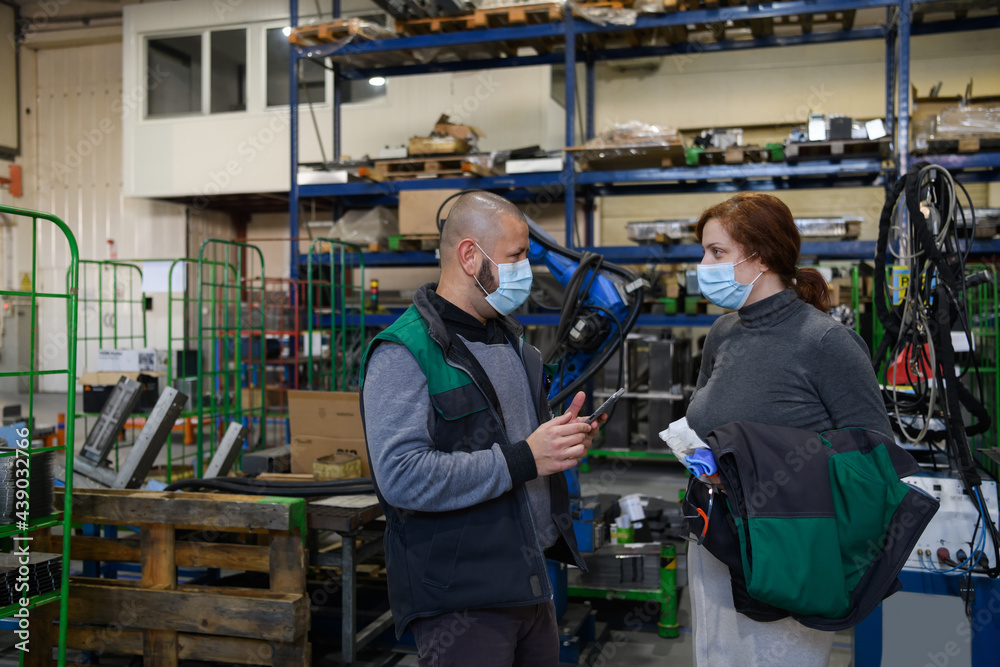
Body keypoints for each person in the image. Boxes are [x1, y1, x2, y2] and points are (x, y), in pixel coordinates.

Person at [359, 191, 602, 667]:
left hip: (529, 579)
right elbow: (402, 477)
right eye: (516, 257)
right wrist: (526, 458)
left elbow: (516, 442)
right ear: (471, 256)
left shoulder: (512, 343)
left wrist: (560, 439)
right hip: (463, 599)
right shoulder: (403, 354)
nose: (525, 271)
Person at [684, 192, 892, 666]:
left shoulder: (825, 342)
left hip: (791, 550)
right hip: (716, 538)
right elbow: (707, 422)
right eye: (703, 252)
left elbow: (874, 458)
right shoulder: (723, 332)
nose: (703, 264)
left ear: (760, 256)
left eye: (717, 252)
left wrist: (757, 471)